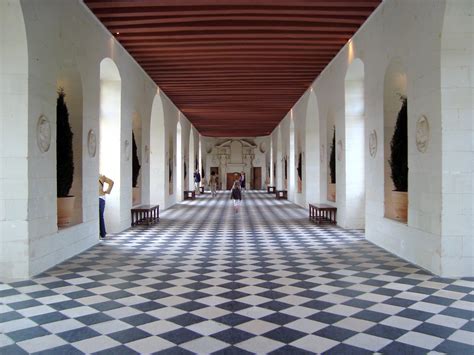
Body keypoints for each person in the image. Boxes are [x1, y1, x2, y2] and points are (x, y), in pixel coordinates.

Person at [99, 174, 114, 239]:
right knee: (100, 216)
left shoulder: (100, 176)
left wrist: (107, 191)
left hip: (99, 198)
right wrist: (107, 191)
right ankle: (102, 233)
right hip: (101, 197)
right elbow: (111, 182)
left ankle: (102, 233)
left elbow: (111, 182)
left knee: (99, 216)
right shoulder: (101, 176)